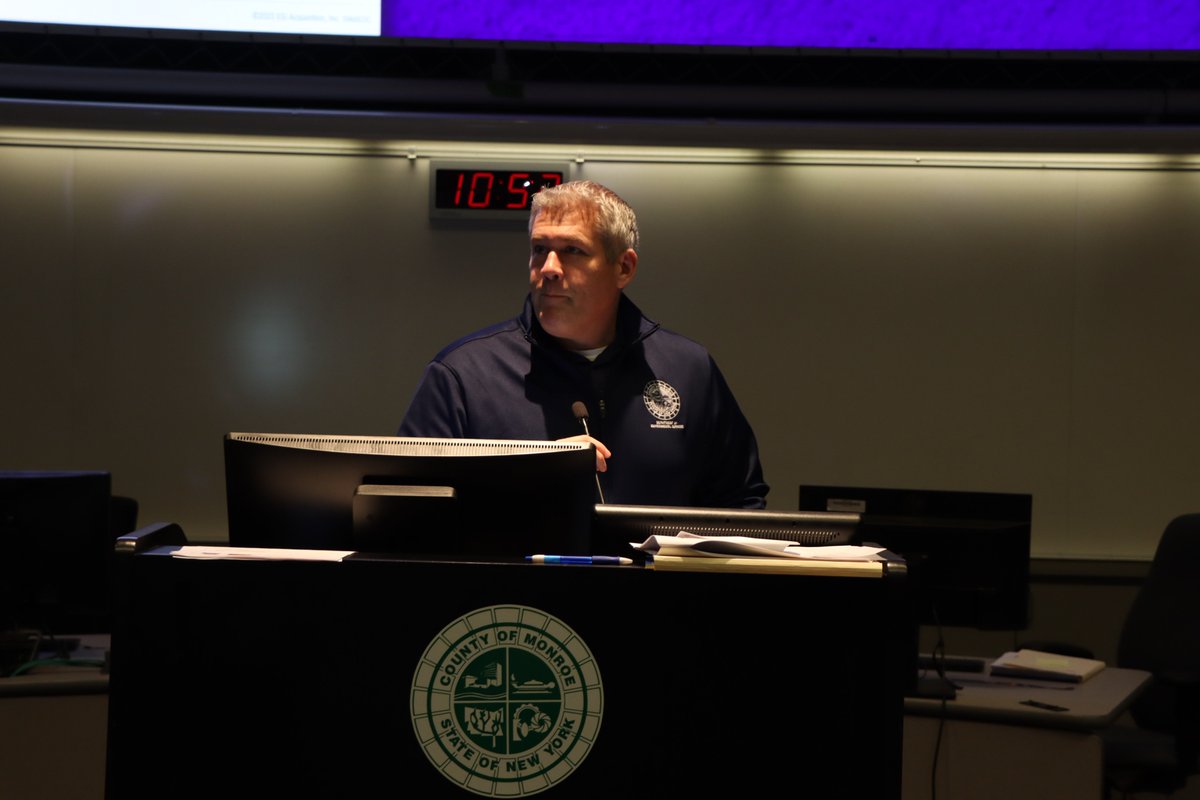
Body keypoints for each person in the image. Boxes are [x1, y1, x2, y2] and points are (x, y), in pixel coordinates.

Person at [398, 179, 769, 508]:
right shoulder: (463, 374)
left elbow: (740, 503)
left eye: (573, 251)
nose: (548, 268)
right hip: (512, 587)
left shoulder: (689, 369)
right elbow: (410, 509)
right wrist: (528, 472)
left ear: (623, 268)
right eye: (539, 248)